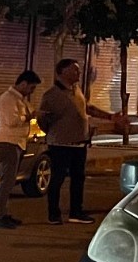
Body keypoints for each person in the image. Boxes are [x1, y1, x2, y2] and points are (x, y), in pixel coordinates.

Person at [37, 58, 124, 225]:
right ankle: (53, 214)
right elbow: (42, 118)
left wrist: (110, 117)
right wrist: (55, 133)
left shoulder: (76, 89)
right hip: (60, 144)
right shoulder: (52, 94)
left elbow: (87, 108)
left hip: (79, 143)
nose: (78, 73)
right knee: (57, 178)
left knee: (78, 178)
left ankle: (76, 211)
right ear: (63, 72)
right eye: (74, 69)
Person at [0, 70, 42, 229]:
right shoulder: (8, 99)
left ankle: (4, 214)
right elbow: (12, 121)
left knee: (10, 181)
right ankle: (0, 216)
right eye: (31, 88)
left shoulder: (20, 99)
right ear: (23, 84)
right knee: (6, 181)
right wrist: (29, 116)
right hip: (7, 142)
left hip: (17, 142)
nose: (32, 91)